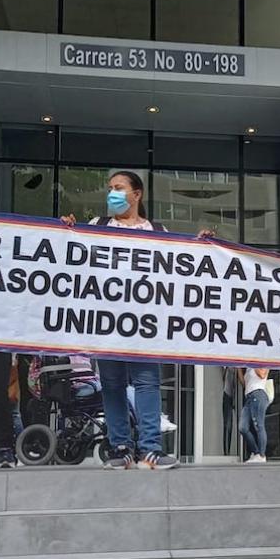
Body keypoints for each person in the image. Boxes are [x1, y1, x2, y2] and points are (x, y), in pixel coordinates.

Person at [61, 171, 178, 469]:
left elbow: (181, 265)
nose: (112, 193)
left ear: (137, 194)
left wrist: (203, 246)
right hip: (106, 321)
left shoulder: (158, 231)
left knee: (147, 382)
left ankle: (150, 448)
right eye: (110, 188)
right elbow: (71, 255)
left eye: (119, 188)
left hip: (145, 322)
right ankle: (120, 447)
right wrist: (65, 230)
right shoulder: (98, 227)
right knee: (112, 384)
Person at [239, 367, 271, 463]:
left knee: (259, 426)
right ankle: (256, 452)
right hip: (248, 397)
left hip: (258, 394)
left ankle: (261, 455)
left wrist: (252, 362)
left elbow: (262, 375)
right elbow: (244, 384)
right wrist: (238, 369)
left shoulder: (260, 361)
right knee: (243, 427)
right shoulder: (248, 368)